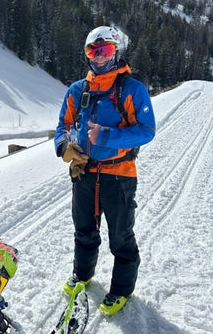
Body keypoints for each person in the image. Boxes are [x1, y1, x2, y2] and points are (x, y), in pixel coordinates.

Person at [54, 25, 156, 315]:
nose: (99, 58)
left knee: (121, 235)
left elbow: (147, 130)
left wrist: (109, 136)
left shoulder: (131, 88)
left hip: (119, 174)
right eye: (93, 51)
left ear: (116, 52)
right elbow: (62, 125)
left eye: (106, 50)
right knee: (84, 229)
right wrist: (64, 147)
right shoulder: (78, 90)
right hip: (84, 171)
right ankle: (83, 275)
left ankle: (121, 290)